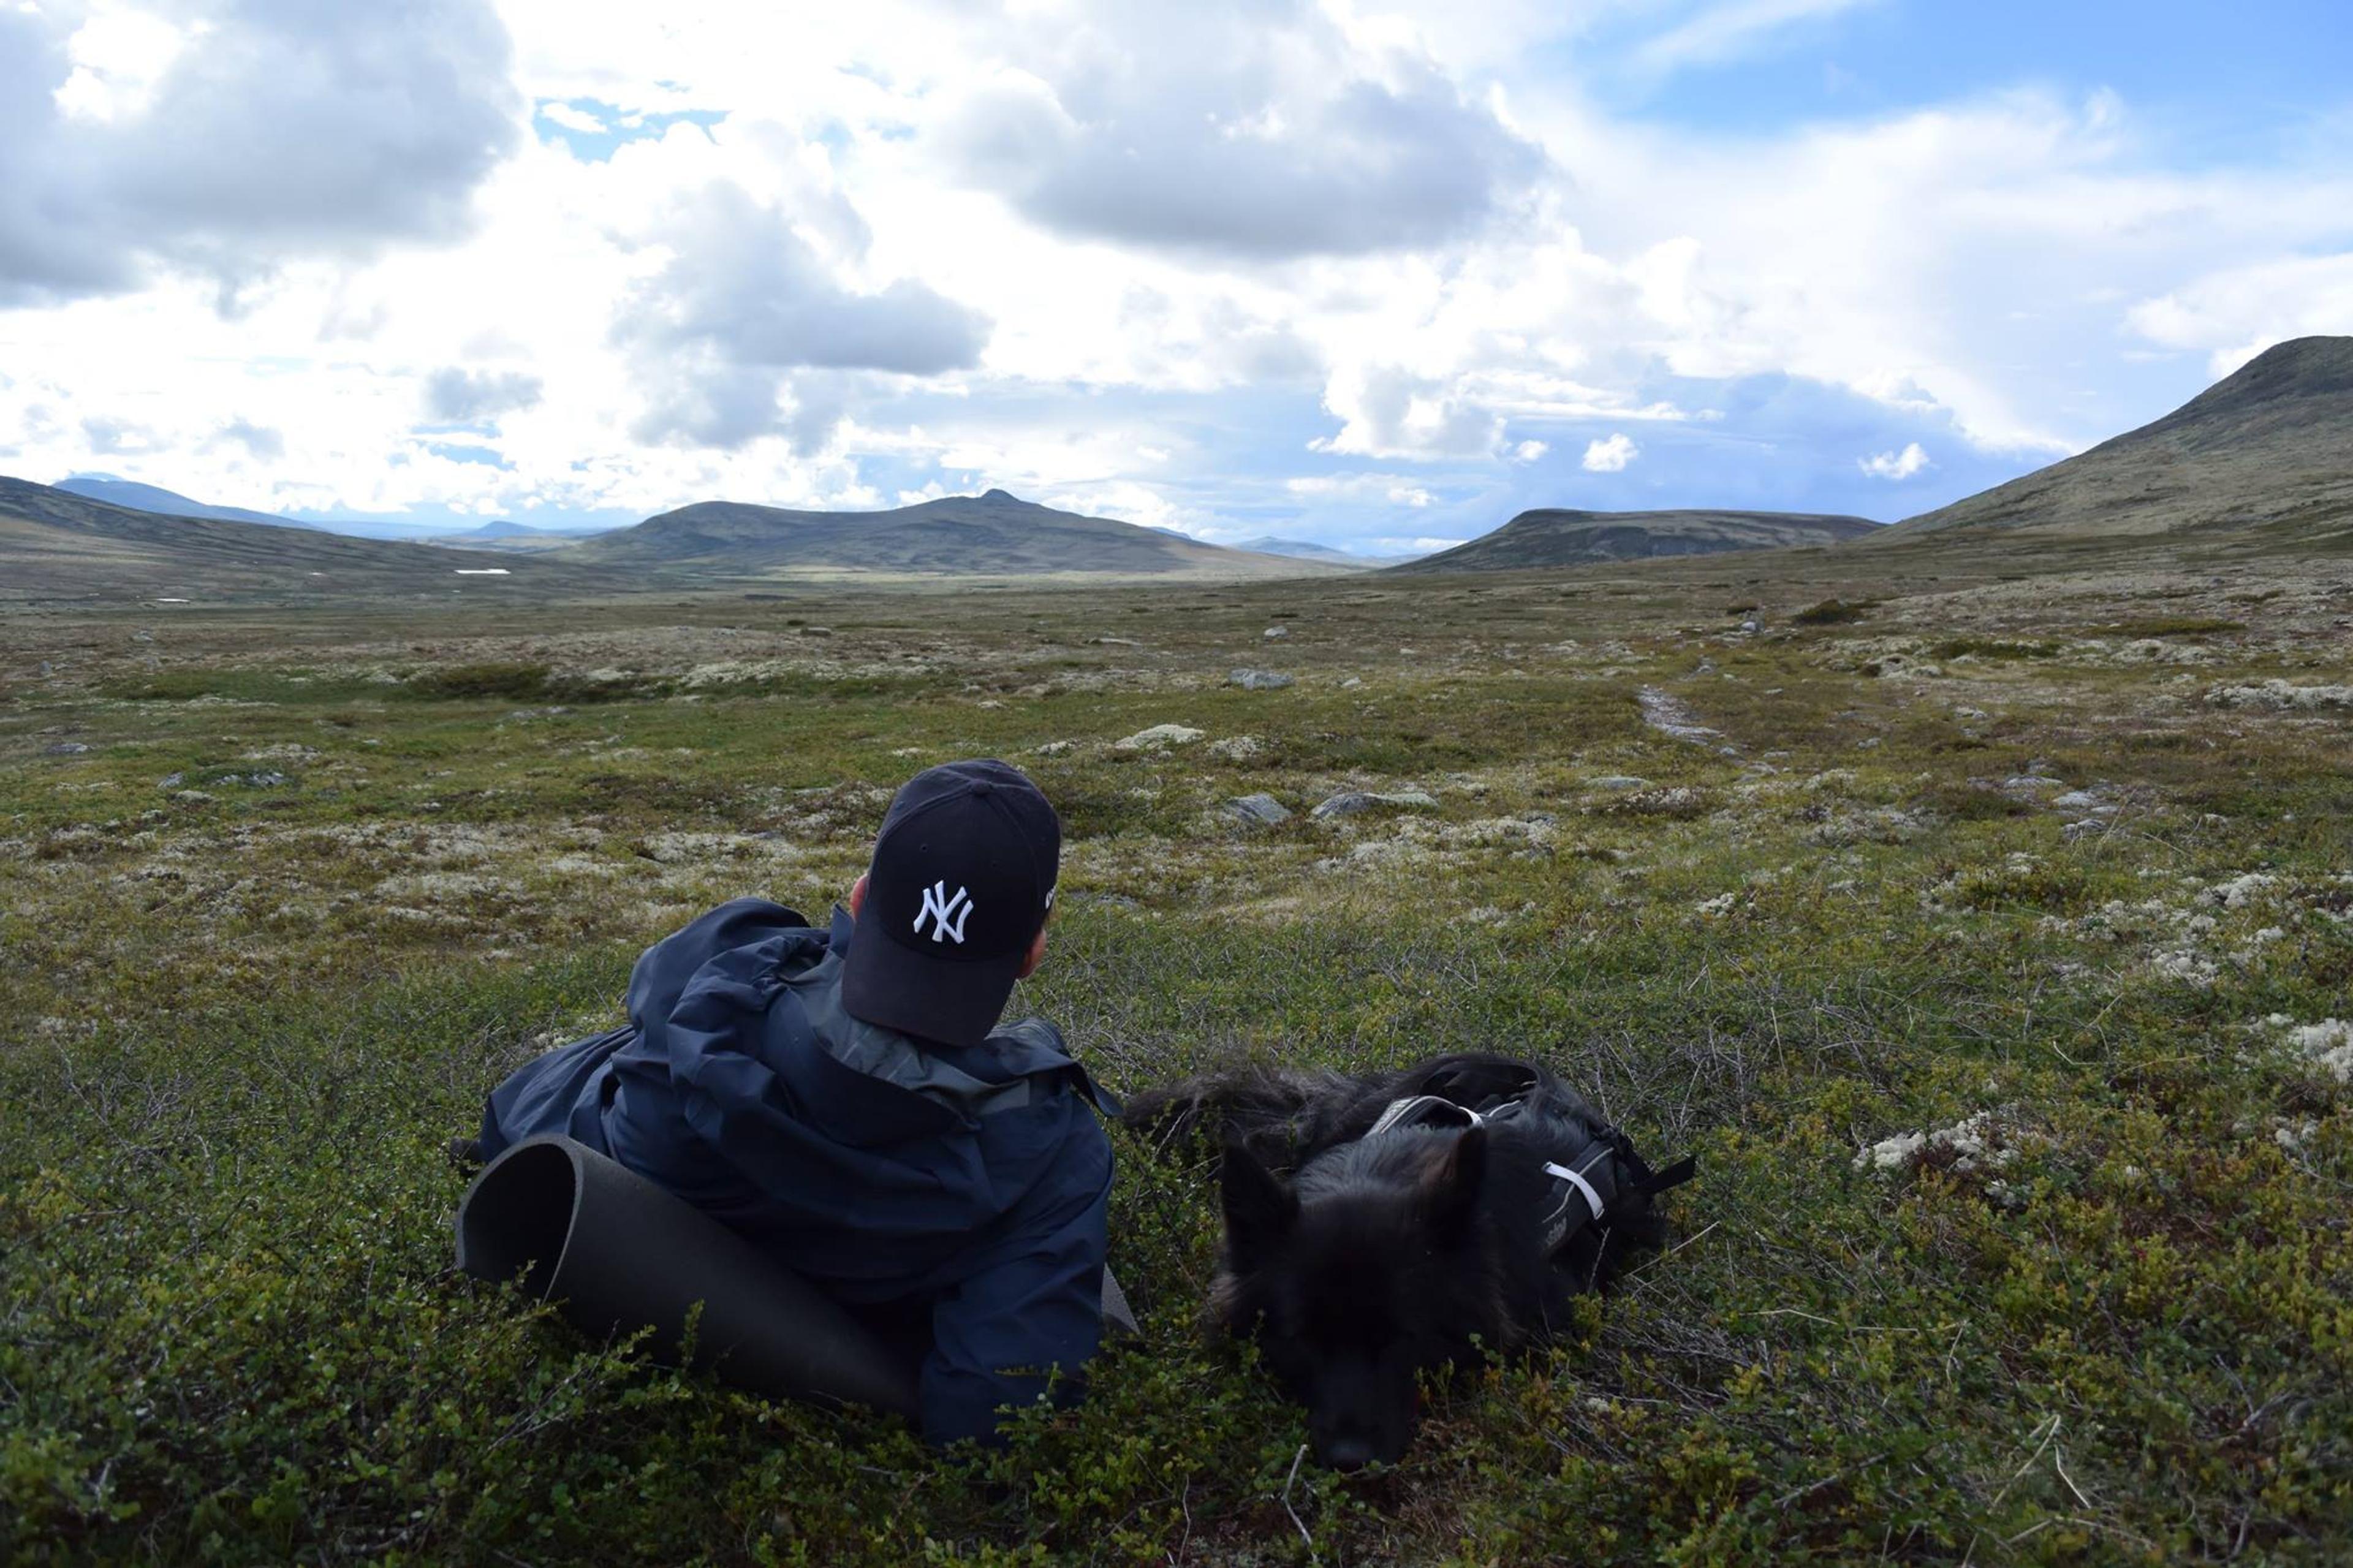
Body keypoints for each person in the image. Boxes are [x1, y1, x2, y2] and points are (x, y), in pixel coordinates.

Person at [469, 759, 1116, 1445]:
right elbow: (997, 1421)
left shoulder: (713, 977)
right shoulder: (1049, 1150)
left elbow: (522, 1112)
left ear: (861, 898)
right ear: (1032, 953)